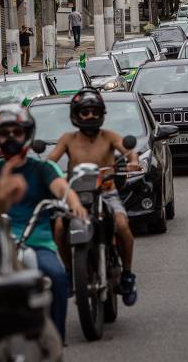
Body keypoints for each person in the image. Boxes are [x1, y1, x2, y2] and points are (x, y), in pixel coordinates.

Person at [0, 103, 86, 343]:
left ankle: (56, 341)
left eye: (17, 132)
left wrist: (75, 204)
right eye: (4, 133)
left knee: (57, 277)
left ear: (27, 134)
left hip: (38, 242)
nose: (11, 138)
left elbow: (62, 189)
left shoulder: (42, 169)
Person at [48, 87, 139, 306]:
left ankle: (127, 275)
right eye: (85, 112)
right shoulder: (67, 139)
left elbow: (128, 151)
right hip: (76, 196)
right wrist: (45, 170)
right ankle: (70, 272)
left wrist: (133, 161)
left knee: (122, 225)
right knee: (60, 227)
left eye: (94, 111)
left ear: (101, 113)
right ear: (75, 115)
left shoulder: (109, 136)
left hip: (107, 193)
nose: (90, 116)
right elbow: (51, 160)